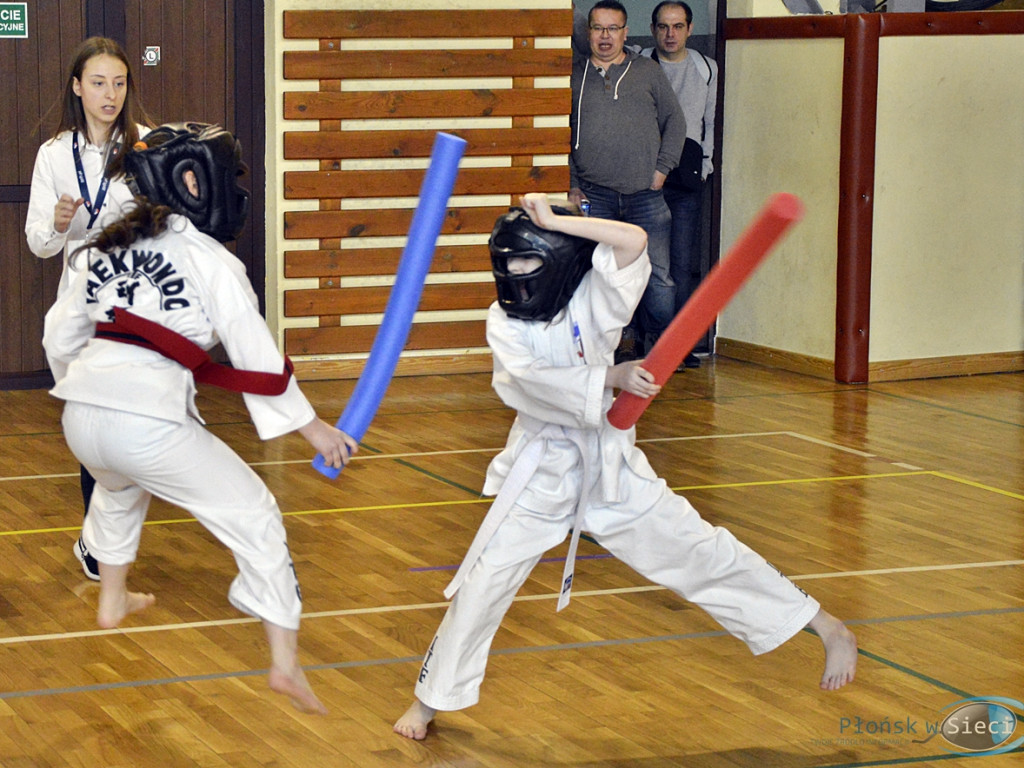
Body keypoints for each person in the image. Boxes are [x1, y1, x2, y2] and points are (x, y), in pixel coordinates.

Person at [393, 193, 857, 741]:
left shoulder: (594, 294)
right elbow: (523, 382)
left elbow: (634, 240)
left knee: (695, 548)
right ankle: (430, 702)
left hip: (610, 467)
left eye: (528, 263)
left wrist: (557, 221)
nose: (515, 277)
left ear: (562, 261)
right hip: (539, 472)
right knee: (484, 581)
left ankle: (825, 625)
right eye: (508, 265)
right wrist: (610, 378)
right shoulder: (503, 321)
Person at [42, 122, 359, 715]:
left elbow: (60, 336)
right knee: (255, 513)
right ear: (195, 180)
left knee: (116, 489)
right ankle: (285, 665)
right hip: (147, 420)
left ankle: (112, 600)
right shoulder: (207, 256)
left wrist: (79, 388)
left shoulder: (99, 248)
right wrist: (312, 426)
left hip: (82, 415)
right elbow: (252, 349)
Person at [25, 37, 157, 580]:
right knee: (96, 424)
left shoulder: (148, 148)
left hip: (138, 307)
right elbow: (37, 242)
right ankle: (97, 541)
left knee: (130, 431)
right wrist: (58, 225)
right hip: (81, 313)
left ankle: (103, 539)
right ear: (77, 87)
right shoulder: (54, 154)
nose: (110, 94)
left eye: (119, 83)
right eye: (98, 83)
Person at [568, 0, 686, 361]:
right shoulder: (573, 76)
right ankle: (618, 344)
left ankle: (665, 349)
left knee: (659, 279)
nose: (605, 37)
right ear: (588, 32)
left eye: (613, 28)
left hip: (645, 195)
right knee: (601, 277)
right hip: (594, 196)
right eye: (598, 28)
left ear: (625, 32)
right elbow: (561, 133)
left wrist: (662, 169)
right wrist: (572, 183)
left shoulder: (647, 72)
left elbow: (675, 123)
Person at [642, 1, 719, 369]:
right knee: (647, 264)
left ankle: (680, 344)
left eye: (678, 26)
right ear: (653, 29)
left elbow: (709, 122)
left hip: (687, 179)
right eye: (663, 26)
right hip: (645, 178)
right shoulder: (640, 63)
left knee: (682, 264)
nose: (670, 34)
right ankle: (646, 340)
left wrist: (706, 165)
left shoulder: (706, 68)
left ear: (689, 29)